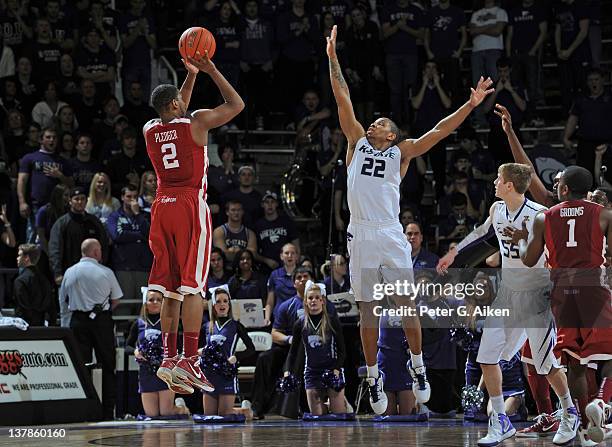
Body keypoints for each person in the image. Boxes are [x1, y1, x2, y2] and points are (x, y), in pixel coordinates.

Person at [326, 24, 493, 414]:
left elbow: (438, 131)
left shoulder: (401, 153)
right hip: (361, 233)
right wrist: (333, 57)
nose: (372, 124)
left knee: (406, 305)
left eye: (380, 123)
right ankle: (371, 375)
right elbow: (342, 98)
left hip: (389, 232)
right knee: (368, 308)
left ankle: (418, 367)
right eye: (373, 122)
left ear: (392, 133)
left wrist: (470, 105)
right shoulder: (355, 142)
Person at [437, 163, 579, 446]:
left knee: (544, 364)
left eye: (497, 179)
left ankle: (569, 412)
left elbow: (558, 254)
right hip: (507, 293)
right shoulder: (496, 210)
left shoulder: (539, 215)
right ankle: (500, 420)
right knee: (487, 356)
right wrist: (454, 254)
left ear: (510, 185)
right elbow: (482, 234)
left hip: (536, 294)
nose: (493, 183)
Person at [145, 51, 244, 394]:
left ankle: (169, 358)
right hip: (189, 204)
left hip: (161, 206)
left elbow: (175, 107)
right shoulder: (198, 121)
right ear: (175, 104)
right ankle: (190, 358)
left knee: (171, 289)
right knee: (192, 288)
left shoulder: (149, 129)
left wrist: (190, 76)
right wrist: (211, 70)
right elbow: (236, 104)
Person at [517, 166, 612, 444]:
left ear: (565, 189)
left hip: (563, 293)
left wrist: (522, 240)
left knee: (575, 363)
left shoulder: (543, 218)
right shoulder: (604, 214)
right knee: (607, 355)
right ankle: (601, 402)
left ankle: (584, 426)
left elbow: (528, 259)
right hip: (594, 289)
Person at [59, 239, 122, 420]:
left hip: (77, 321)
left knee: (81, 366)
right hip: (101, 321)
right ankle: (107, 412)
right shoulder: (106, 272)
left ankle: (82, 411)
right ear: (95, 252)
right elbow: (116, 299)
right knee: (108, 365)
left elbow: (63, 299)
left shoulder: (69, 272)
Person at [284, 281, 347, 416]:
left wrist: (336, 370)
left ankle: (340, 403)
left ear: (322, 301)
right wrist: (287, 372)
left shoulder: (332, 320)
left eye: (317, 298)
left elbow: (342, 350)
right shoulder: (300, 324)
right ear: (305, 301)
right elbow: (293, 353)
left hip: (332, 370)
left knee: (338, 415)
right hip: (312, 372)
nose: (314, 301)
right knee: (317, 415)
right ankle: (327, 405)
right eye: (310, 298)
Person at [126, 289, 190, 416]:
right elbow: (127, 345)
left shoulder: (170, 322)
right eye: (151, 300)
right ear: (145, 303)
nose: (155, 302)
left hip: (165, 371)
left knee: (166, 412)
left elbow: (179, 347)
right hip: (146, 372)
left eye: (158, 300)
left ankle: (182, 408)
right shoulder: (138, 324)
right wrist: (136, 351)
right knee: (152, 415)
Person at [201, 285, 255, 416]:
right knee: (210, 416)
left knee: (224, 414)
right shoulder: (207, 326)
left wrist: (236, 357)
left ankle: (246, 410)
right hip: (209, 374)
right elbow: (203, 348)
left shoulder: (236, 325)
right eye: (218, 301)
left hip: (226, 374)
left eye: (225, 301)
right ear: (213, 305)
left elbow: (251, 349)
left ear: (229, 305)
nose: (222, 304)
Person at [13, 244, 54, 326]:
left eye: (19, 255)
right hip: (41, 326)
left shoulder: (20, 281)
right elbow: (51, 306)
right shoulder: (45, 280)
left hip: (24, 327)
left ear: (26, 258)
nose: (17, 258)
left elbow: (22, 308)